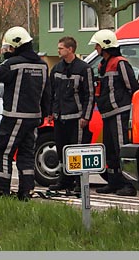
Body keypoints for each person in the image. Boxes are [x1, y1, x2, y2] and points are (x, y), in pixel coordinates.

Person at [0, 26, 51, 201]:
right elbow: (47, 93)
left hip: (14, 117)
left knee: (4, 153)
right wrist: (44, 114)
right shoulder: (42, 65)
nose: (7, 52)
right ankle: (26, 192)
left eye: (9, 48)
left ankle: (1, 191)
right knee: (26, 156)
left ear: (16, 46)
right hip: (34, 118)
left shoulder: (14, 64)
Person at [89, 29, 139, 197]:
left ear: (105, 46)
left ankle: (128, 184)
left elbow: (133, 87)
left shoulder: (120, 63)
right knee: (110, 150)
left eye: (97, 45)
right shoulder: (102, 64)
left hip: (120, 112)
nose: (96, 48)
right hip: (108, 113)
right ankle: (113, 182)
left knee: (121, 148)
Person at [48, 36, 95, 192]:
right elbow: (51, 92)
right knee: (62, 150)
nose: (58, 50)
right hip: (60, 118)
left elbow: (90, 95)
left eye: (61, 48)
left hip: (76, 118)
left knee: (76, 151)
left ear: (70, 49)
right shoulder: (56, 69)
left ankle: (78, 182)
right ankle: (64, 180)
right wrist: (51, 112)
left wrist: (85, 117)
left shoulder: (84, 69)